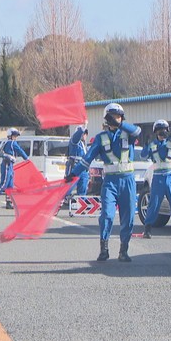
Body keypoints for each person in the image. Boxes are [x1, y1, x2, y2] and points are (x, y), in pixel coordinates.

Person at [66, 103, 141, 262]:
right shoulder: (101, 138)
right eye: (113, 116)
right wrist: (73, 174)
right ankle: (104, 249)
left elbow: (137, 131)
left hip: (128, 181)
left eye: (119, 116)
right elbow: (87, 160)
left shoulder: (128, 133)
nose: (116, 119)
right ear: (107, 119)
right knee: (106, 215)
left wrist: (120, 124)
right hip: (110, 183)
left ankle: (123, 250)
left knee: (128, 217)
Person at [140, 119, 171, 239]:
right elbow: (143, 155)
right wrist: (146, 144)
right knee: (154, 204)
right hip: (158, 179)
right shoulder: (153, 145)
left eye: (164, 131)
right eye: (159, 131)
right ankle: (147, 229)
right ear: (155, 132)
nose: (162, 134)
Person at [0, 128, 29, 209]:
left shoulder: (5, 142)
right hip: (7, 165)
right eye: (14, 135)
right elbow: (20, 150)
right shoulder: (12, 143)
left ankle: (9, 203)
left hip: (9, 165)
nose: (15, 137)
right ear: (10, 136)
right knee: (4, 184)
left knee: (10, 185)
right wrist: (26, 158)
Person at [64, 125, 89, 200]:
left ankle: (82, 202)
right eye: (83, 134)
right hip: (74, 166)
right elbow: (77, 136)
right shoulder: (74, 141)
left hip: (83, 168)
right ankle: (64, 199)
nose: (84, 135)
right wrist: (82, 128)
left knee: (83, 185)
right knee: (70, 185)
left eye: (85, 134)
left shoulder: (83, 144)